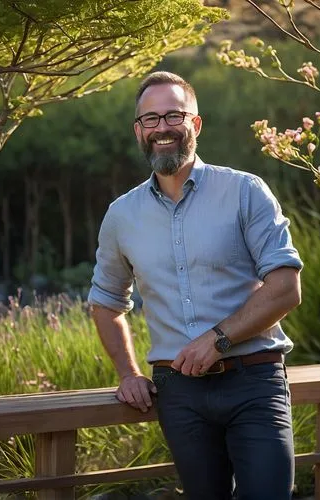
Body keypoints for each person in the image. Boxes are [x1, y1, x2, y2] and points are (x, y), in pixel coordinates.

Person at [89, 71, 303, 500]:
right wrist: (128, 373)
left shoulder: (245, 191)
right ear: (138, 131)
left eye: (173, 115)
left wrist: (217, 339)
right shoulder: (121, 215)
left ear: (196, 124)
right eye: (150, 119)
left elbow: (284, 286)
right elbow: (106, 302)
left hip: (253, 382)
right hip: (178, 394)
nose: (162, 128)